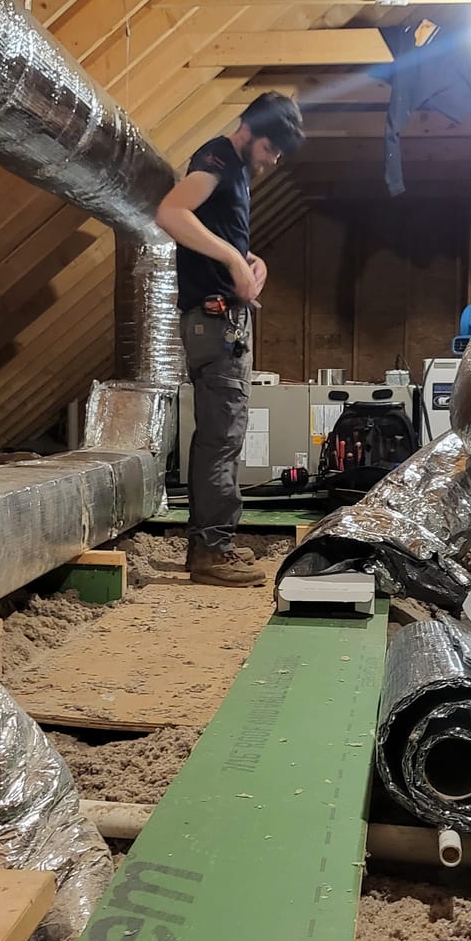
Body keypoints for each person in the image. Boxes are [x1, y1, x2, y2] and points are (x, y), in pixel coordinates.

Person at [156, 92, 305, 587]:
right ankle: (211, 553)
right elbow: (173, 214)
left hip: (224, 321)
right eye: (272, 149)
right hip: (214, 322)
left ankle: (211, 544)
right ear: (253, 133)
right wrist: (234, 261)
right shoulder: (216, 159)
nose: (273, 160)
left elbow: (212, 229)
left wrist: (248, 257)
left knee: (223, 434)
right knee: (222, 436)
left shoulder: (234, 170)